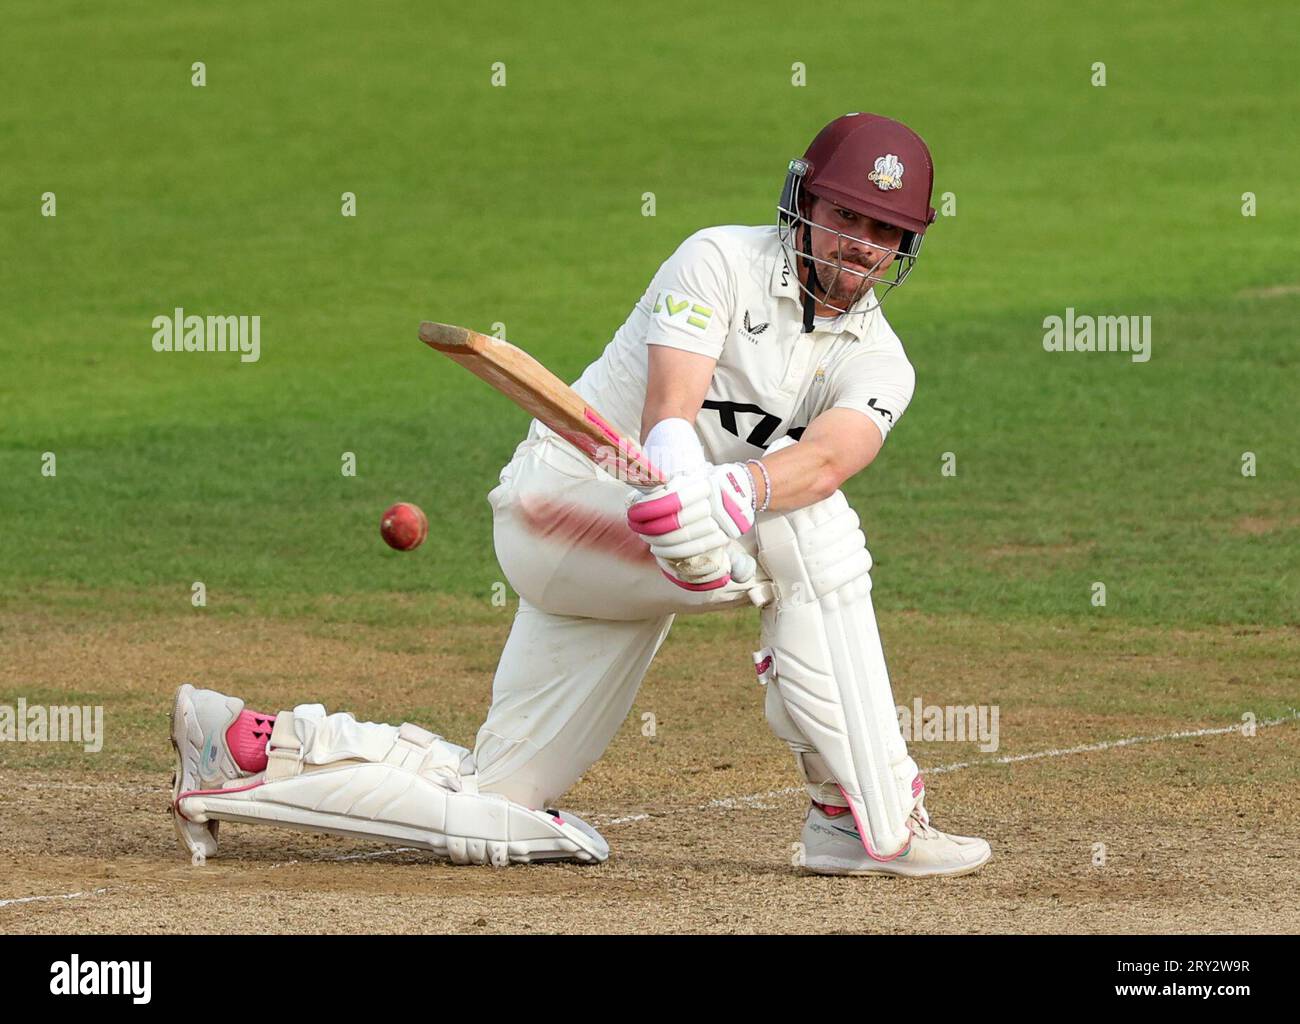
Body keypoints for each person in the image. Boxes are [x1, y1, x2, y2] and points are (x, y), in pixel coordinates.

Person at [171, 112, 991, 877]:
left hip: (653, 562)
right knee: (811, 536)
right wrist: (694, 494)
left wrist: (737, 493)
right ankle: (860, 813)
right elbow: (667, 412)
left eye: (886, 232)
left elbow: (835, 453)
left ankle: (243, 748)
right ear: (801, 203)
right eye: (846, 217)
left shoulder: (880, 359)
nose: (863, 247)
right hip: (564, 507)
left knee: (495, 805)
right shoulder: (718, 260)